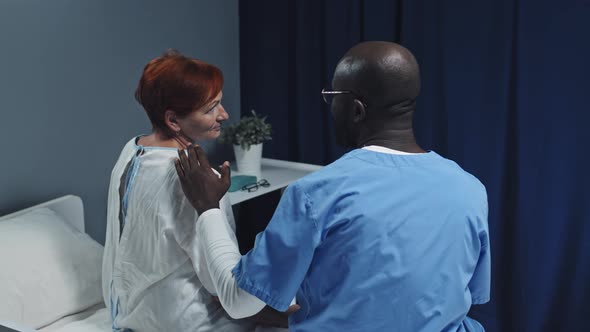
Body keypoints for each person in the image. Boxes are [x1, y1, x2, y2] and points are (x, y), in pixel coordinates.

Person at [176, 41, 491, 331]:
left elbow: (238, 301)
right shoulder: (470, 189)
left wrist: (208, 208)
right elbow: (436, 299)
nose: (329, 108)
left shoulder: (316, 194)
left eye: (332, 98)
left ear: (356, 109)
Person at [102, 50, 294, 332]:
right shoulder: (197, 180)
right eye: (211, 108)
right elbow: (223, 287)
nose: (224, 114)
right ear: (174, 121)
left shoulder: (132, 151)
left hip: (128, 316)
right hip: (187, 323)